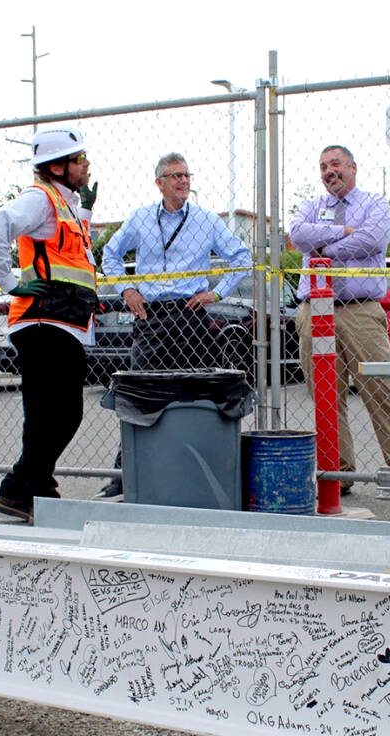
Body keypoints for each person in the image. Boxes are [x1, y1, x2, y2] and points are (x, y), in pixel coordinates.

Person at [97, 152, 252, 498]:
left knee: (199, 392)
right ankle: (125, 476)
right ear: (160, 183)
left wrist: (217, 293)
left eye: (187, 175)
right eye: (176, 176)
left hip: (190, 316)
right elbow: (110, 254)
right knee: (139, 394)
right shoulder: (140, 219)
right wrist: (127, 288)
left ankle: (201, 466)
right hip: (150, 318)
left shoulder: (205, 221)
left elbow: (242, 257)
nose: (183, 181)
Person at [0, 126, 99, 522]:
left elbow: (66, 254)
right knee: (57, 413)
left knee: (54, 413)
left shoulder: (62, 204)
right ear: (59, 166)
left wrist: (86, 213)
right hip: (43, 321)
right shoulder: (39, 199)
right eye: (80, 159)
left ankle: (34, 488)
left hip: (62, 322)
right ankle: (22, 486)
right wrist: (12, 284)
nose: (86, 164)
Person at [289, 145, 390, 494]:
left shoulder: (375, 204)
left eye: (336, 164)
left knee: (380, 389)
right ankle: (339, 472)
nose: (330, 171)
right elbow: (299, 235)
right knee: (326, 395)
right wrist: (345, 232)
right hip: (315, 310)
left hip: (359, 309)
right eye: (323, 167)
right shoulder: (311, 207)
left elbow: (373, 238)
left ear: (353, 167)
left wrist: (325, 251)